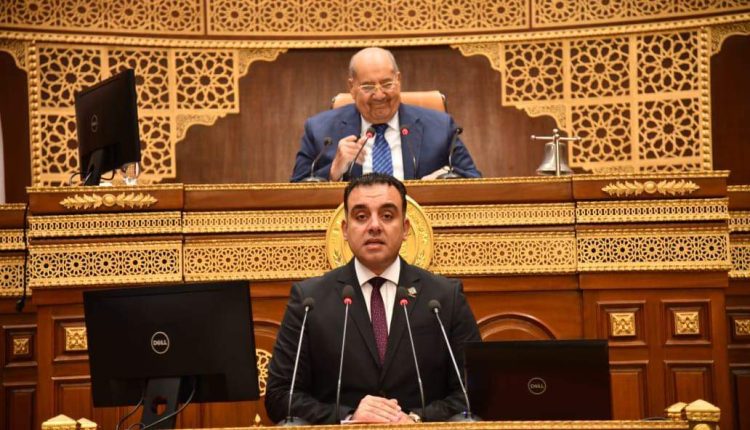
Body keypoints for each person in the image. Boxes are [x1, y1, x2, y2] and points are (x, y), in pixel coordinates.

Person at [265, 173, 481, 424]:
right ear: (345, 230)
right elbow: (280, 395)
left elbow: (473, 391)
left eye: (387, 216)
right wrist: (348, 417)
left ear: (405, 229)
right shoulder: (309, 300)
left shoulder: (444, 297)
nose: (374, 226)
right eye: (361, 216)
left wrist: (415, 419)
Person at [290, 47, 481, 182]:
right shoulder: (319, 130)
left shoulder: (440, 127)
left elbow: (473, 181)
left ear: (398, 80)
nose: (380, 95)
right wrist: (333, 173)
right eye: (368, 86)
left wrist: (439, 182)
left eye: (387, 84)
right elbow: (297, 192)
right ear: (352, 87)